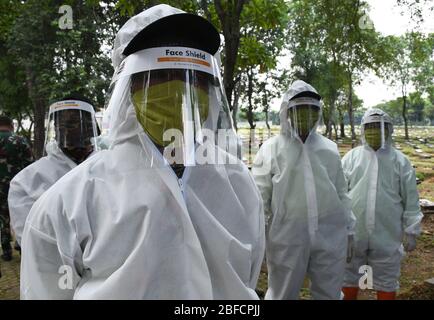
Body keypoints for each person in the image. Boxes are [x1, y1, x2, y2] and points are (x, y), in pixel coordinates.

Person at [20, 4, 265, 299]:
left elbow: (246, 277)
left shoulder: (238, 181)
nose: (180, 91)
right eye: (160, 76)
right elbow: (46, 290)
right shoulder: (72, 199)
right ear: (129, 89)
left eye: (194, 78)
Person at [252, 80, 355, 300]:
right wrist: (258, 235)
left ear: (317, 113)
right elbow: (260, 197)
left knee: (329, 293)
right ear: (287, 112)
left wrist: (349, 227)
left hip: (330, 233)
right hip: (286, 237)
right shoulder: (271, 149)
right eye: (300, 109)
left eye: (311, 110)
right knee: (283, 293)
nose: (305, 115)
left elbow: (340, 192)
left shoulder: (329, 149)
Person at [341, 108, 423, 300]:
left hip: (387, 235)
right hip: (354, 234)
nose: (375, 131)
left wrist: (412, 229)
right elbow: (340, 196)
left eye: (380, 127)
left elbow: (411, 199)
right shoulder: (351, 158)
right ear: (363, 130)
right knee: (350, 278)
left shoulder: (400, 162)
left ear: (389, 130)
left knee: (386, 280)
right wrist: (338, 226)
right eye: (370, 127)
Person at [8, 96, 99, 247]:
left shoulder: (111, 168)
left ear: (92, 127)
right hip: (56, 268)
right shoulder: (27, 180)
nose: (64, 130)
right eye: (59, 124)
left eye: (72, 123)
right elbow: (31, 240)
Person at [0, 115, 33, 261]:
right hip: (18, 187)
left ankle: (6, 250)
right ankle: (22, 246)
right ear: (11, 125)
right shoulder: (20, 141)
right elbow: (30, 165)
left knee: (2, 218)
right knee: (21, 215)